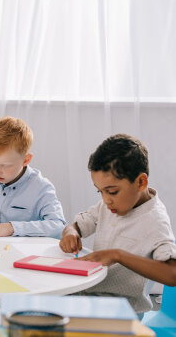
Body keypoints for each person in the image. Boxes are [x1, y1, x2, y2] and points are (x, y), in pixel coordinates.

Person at [60, 134, 176, 313]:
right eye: (100, 192)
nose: (106, 200)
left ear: (140, 182)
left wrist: (118, 255)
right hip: (87, 297)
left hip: (122, 310)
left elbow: (172, 274)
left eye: (112, 191)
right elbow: (79, 224)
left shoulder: (155, 221)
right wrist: (70, 232)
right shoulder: (110, 206)